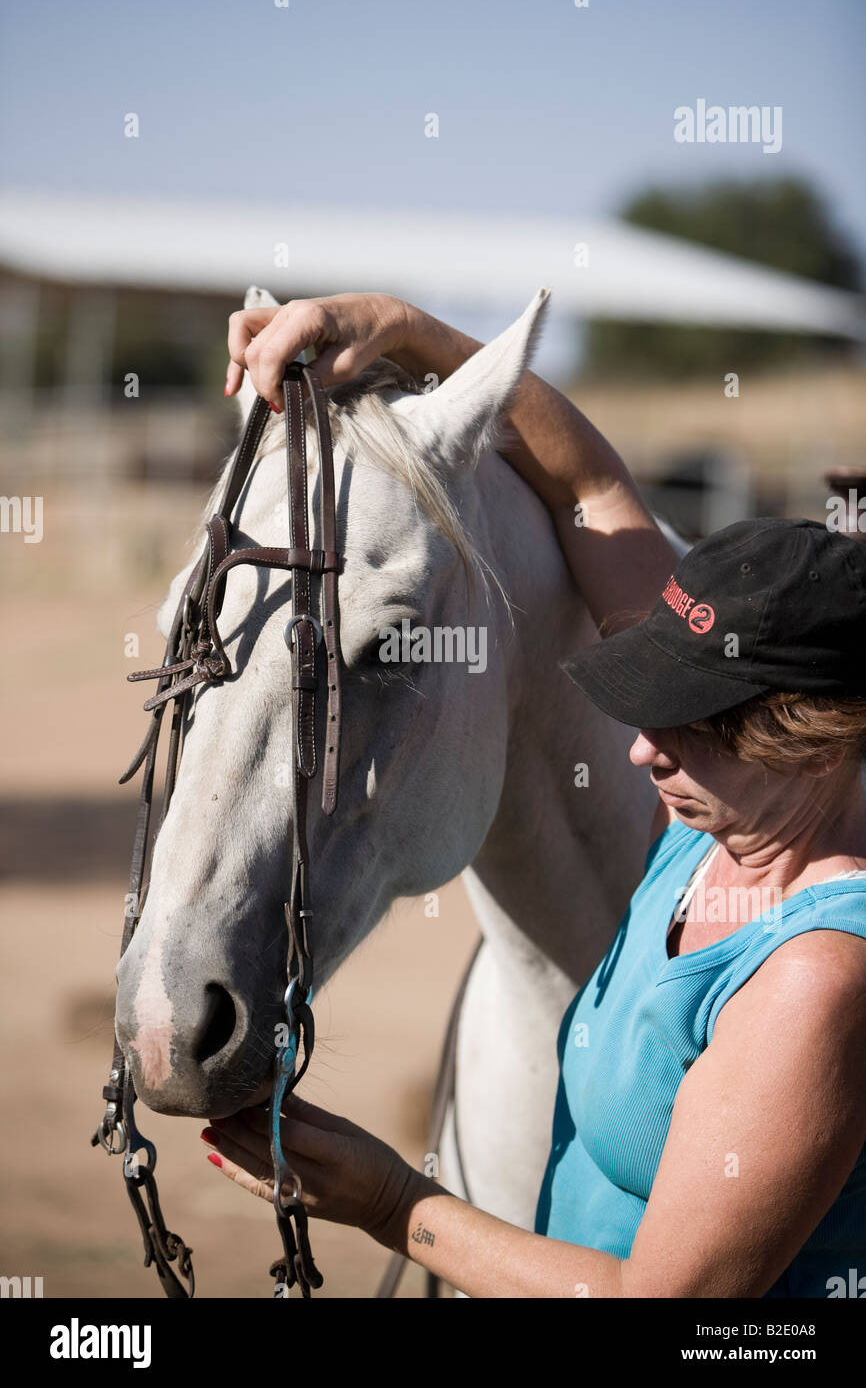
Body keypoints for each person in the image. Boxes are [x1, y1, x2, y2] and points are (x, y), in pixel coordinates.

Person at [200, 294, 866, 1298]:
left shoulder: (814, 978)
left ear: (813, 744)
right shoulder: (716, 830)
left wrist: (395, 1206)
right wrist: (404, 331)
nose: (641, 748)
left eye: (692, 724)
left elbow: (670, 1305)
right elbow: (586, 485)